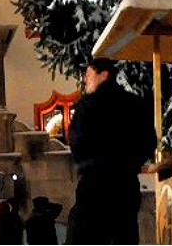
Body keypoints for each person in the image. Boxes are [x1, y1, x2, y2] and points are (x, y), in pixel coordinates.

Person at [67, 57, 156, 244]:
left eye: (89, 75)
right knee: (124, 233)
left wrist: (89, 162)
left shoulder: (87, 106)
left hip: (94, 183)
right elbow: (148, 142)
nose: (85, 80)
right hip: (124, 182)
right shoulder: (134, 104)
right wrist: (131, 162)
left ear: (103, 75)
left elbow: (77, 143)